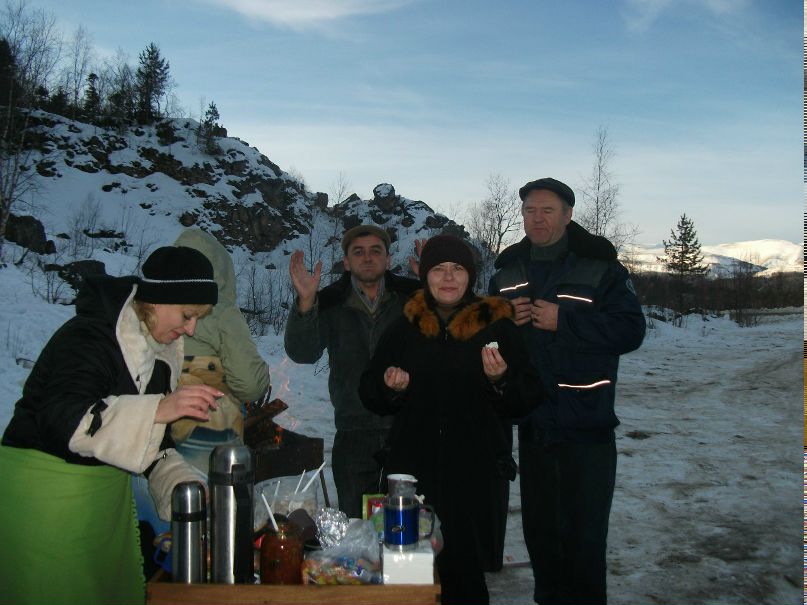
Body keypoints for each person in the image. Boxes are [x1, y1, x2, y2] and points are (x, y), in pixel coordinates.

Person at [0, 246, 221, 605]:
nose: (191, 328)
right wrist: (158, 409)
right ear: (156, 301)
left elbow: (154, 447)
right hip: (44, 501)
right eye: (187, 314)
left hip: (102, 507)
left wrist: (190, 489)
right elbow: (64, 420)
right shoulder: (90, 337)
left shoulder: (158, 359)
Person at [359, 234, 542, 605]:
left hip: (474, 477)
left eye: (457, 269)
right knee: (409, 578)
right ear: (425, 276)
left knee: (464, 579)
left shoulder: (497, 326)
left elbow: (528, 398)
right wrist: (389, 386)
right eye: (439, 269)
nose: (448, 277)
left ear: (470, 276)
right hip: (411, 479)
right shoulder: (405, 327)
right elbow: (369, 393)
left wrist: (501, 381)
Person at [489, 177, 646, 605]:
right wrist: (503, 317)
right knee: (541, 533)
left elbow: (631, 331)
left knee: (585, 534)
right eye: (529, 211)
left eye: (547, 210)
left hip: (587, 424)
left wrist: (567, 321)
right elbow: (487, 332)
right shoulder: (507, 271)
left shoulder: (600, 266)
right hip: (535, 424)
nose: (536, 219)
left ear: (568, 214)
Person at [283, 224, 420, 519]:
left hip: (407, 429)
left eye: (375, 251)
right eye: (358, 252)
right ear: (346, 261)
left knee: (409, 525)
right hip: (353, 433)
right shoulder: (330, 301)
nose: (367, 258)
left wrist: (432, 290)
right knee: (357, 528)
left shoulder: (411, 298)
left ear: (388, 258)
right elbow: (303, 353)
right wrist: (306, 303)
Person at [171, 228, 272, 466]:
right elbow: (250, 384)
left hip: (156, 428)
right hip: (207, 434)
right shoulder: (221, 310)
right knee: (213, 498)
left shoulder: (155, 305)